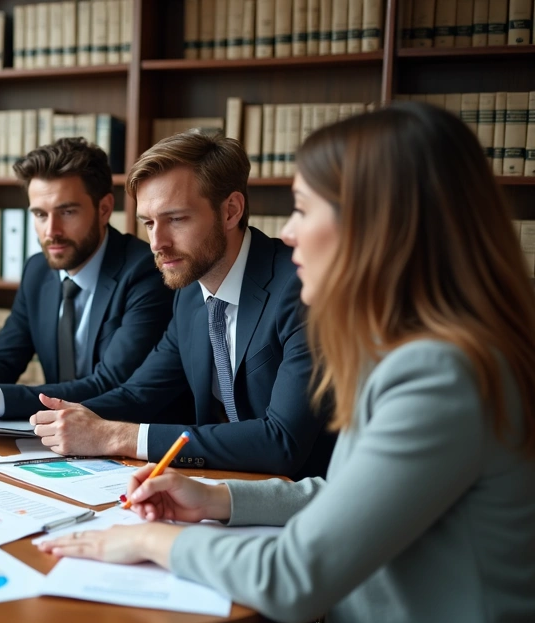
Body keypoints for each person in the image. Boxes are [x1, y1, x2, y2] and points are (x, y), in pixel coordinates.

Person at [39, 103, 535, 623]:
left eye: (302, 209)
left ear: (379, 223)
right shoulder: (417, 353)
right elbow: (346, 497)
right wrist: (219, 498)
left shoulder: (440, 375)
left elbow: (294, 576)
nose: (290, 234)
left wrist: (145, 541)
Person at [26, 131, 334, 478]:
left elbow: (283, 442)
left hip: (307, 504)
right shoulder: (189, 294)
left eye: (176, 219)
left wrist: (116, 436)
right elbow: (140, 394)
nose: (158, 243)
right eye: (149, 223)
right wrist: (59, 419)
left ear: (231, 211)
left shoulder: (302, 287)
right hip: (222, 488)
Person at [0, 138, 178, 422]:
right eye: (39, 214)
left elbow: (110, 383)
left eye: (67, 212)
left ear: (104, 209)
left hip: (132, 439)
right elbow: (5, 356)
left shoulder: (146, 272)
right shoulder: (38, 270)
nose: (52, 231)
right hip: (62, 441)